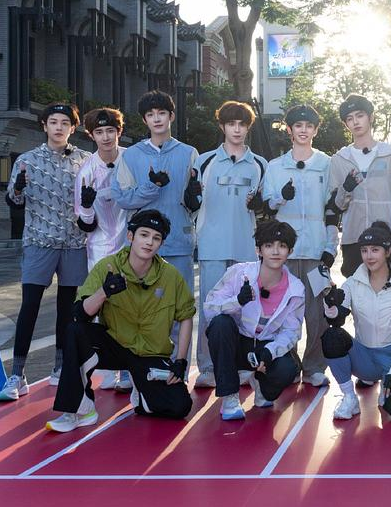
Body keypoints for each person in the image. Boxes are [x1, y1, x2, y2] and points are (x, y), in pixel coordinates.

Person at [46, 210, 193, 431]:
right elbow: (80, 314)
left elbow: (186, 317)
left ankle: (142, 392)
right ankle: (79, 411)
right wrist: (104, 292)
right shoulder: (108, 266)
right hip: (115, 345)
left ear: (161, 243)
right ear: (131, 236)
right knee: (75, 331)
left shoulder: (171, 276)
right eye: (144, 235)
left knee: (179, 406)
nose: (149, 242)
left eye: (156, 238)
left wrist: (180, 361)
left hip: (150, 352)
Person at [0, 103, 90, 401]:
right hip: (39, 241)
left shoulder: (84, 160)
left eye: (65, 122)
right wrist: (18, 188)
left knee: (67, 309)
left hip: (75, 243)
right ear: (44, 125)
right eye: (53, 122)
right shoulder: (27, 160)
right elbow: (14, 201)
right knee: (30, 306)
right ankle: (17, 375)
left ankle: (60, 366)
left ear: (73, 128)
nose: (59, 127)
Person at [191, 100, 269, 388]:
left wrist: (260, 206)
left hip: (246, 247)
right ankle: (208, 366)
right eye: (231, 124)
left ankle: (242, 365)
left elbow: (266, 209)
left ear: (248, 128)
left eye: (242, 124)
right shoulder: (204, 161)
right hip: (211, 246)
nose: (236, 129)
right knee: (211, 307)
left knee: (246, 309)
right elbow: (192, 202)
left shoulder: (260, 164)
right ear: (222, 126)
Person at [262, 104, 338, 388]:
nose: (303, 130)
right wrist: (281, 197)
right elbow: (267, 206)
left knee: (317, 313)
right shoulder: (275, 166)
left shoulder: (327, 164)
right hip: (284, 253)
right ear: (289, 129)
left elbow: (333, 209)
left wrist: (331, 246)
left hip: (317, 250)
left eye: (309, 126)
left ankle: (314, 367)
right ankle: (290, 364)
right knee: (285, 310)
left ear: (315, 130)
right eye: (298, 125)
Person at [202, 221, 305, 420]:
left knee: (288, 369)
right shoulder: (239, 273)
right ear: (259, 249)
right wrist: (237, 301)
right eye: (269, 245)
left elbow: (291, 331)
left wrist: (270, 352)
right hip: (237, 343)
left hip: (265, 346)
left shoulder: (296, 289)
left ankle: (260, 383)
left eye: (282, 246)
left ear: (290, 251)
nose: (275, 251)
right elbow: (210, 309)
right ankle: (230, 396)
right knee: (220, 325)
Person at [322, 222, 391, 420]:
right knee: (332, 337)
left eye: (375, 250)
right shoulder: (352, 283)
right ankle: (349, 398)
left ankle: (387, 384)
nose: (369, 256)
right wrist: (330, 304)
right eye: (364, 250)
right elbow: (337, 320)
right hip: (364, 357)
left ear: (387, 251)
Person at [110, 90, 200, 291]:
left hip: (178, 241)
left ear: (171, 116)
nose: (156, 119)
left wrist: (194, 200)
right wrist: (152, 187)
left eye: (162, 113)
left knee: (180, 301)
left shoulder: (189, 153)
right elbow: (123, 198)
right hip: (141, 246)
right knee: (140, 304)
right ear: (144, 120)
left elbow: (198, 200)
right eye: (150, 114)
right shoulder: (131, 155)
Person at [74, 107, 132, 392]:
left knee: (132, 305)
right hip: (99, 247)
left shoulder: (131, 161)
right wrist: (86, 207)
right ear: (91, 135)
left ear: (119, 131)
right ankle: (108, 368)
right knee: (103, 306)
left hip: (131, 245)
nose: (106, 137)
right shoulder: (86, 170)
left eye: (110, 130)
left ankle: (130, 368)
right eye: (99, 132)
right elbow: (84, 224)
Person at [328, 94, 391, 278]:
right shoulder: (339, 159)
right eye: (350, 118)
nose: (355, 122)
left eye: (360, 115)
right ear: (346, 124)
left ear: (371, 117)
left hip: (388, 238)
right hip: (354, 239)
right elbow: (336, 206)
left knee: (390, 291)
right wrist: (346, 189)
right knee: (356, 292)